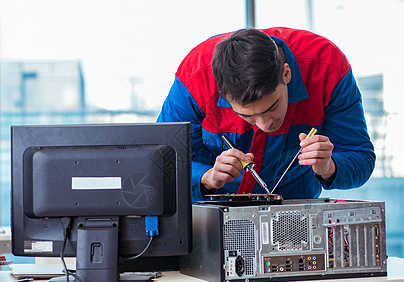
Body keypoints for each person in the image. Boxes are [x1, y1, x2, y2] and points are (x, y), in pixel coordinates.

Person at [157, 27, 375, 201]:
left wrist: (329, 167)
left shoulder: (327, 67)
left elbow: (361, 157)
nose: (264, 124)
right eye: (247, 116)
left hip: (292, 216)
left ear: (286, 73)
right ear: (221, 93)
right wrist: (207, 177)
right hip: (210, 214)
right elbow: (162, 165)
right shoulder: (196, 77)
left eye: (271, 107)